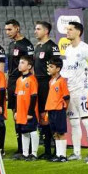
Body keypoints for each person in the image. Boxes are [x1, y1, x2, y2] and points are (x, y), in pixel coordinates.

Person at [61, 21, 88, 160]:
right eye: (67, 29)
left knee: (87, 121)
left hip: (83, 90)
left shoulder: (86, 49)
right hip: (70, 90)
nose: (67, 32)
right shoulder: (68, 50)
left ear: (78, 32)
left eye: (70, 29)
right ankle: (76, 153)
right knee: (74, 122)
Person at [5, 19, 34, 159]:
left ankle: (27, 149)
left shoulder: (26, 44)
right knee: (15, 115)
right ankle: (20, 147)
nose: (7, 32)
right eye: (6, 30)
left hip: (23, 83)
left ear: (17, 28)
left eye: (10, 29)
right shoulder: (11, 44)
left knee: (24, 113)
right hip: (12, 83)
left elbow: (30, 65)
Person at [32, 21, 60, 159]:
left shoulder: (52, 47)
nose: (35, 31)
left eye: (38, 29)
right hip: (37, 83)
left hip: (47, 84)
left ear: (46, 31)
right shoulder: (37, 47)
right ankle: (47, 149)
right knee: (42, 116)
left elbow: (57, 65)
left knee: (50, 116)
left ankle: (56, 150)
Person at [44, 57, 69, 162]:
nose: (49, 68)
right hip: (51, 109)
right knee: (55, 133)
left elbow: (66, 96)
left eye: (51, 67)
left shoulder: (61, 81)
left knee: (61, 133)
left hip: (59, 110)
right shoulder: (51, 81)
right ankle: (58, 155)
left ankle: (63, 156)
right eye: (48, 66)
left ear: (58, 69)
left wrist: (64, 108)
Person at [14, 56, 40, 160]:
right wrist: (16, 111)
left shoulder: (32, 79)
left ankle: (34, 153)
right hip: (21, 111)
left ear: (29, 66)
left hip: (30, 111)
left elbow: (34, 96)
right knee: (23, 131)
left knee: (32, 130)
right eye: (19, 62)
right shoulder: (19, 80)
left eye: (23, 63)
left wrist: (30, 112)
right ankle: (25, 153)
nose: (20, 65)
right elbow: (16, 96)